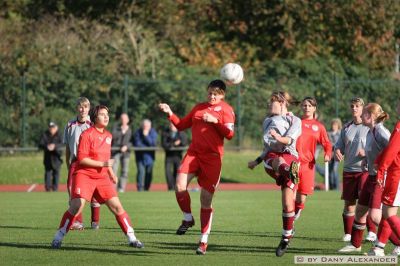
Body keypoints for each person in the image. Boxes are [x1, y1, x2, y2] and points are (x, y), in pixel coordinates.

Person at [159, 79, 235, 255]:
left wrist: (216, 121)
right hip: (194, 154)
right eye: (209, 92)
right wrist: (170, 112)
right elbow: (180, 125)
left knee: (205, 200)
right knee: (179, 186)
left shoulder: (227, 110)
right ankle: (187, 218)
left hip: (213, 159)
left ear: (222, 95)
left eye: (215, 93)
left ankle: (203, 241)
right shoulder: (198, 107)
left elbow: (230, 134)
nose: (212, 96)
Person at [51, 105, 144, 249]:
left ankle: (132, 238)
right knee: (76, 206)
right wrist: (103, 163)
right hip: (84, 174)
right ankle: (58, 237)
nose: (106, 117)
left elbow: (106, 158)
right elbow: (82, 159)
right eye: (102, 114)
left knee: (117, 207)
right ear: (95, 118)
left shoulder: (108, 135)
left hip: (102, 177)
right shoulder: (87, 134)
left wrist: (111, 172)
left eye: (107, 114)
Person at [339, 102, 400, 254]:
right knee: (360, 211)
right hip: (371, 176)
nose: (360, 115)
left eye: (364, 113)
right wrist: (368, 158)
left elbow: (391, 152)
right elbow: (378, 152)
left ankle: (396, 243)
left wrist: (380, 165)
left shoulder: (381, 132)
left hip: (382, 177)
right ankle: (355, 244)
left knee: (376, 216)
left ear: (371, 116)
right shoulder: (369, 131)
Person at [247, 91, 301, 257]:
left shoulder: (294, 120)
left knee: (287, 204)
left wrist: (279, 137)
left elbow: (290, 141)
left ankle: (286, 237)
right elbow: (267, 148)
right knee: (278, 161)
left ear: (283, 104)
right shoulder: (267, 121)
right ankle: (289, 173)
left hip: (290, 156)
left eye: (273, 102)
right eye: (269, 102)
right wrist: (256, 161)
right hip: (273, 160)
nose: (270, 105)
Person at [334, 97, 369, 242]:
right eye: (352, 106)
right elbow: (338, 146)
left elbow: (380, 148)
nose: (354, 108)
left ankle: (371, 232)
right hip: (348, 170)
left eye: (357, 106)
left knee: (364, 203)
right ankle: (348, 233)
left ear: (363, 108)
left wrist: (366, 153)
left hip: (364, 170)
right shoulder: (346, 127)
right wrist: (336, 151)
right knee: (349, 205)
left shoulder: (369, 127)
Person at [367, 99, 400, 256]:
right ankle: (379, 247)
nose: (397, 107)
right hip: (395, 173)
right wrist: (379, 160)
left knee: (388, 214)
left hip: (396, 175)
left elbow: (392, 150)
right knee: (387, 213)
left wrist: (381, 169)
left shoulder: (399, 126)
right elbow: (389, 149)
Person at [63, 97, 101, 230]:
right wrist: (68, 162)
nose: (83, 109)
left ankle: (95, 221)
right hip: (75, 162)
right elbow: (67, 146)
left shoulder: (93, 125)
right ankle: (77, 222)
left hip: (90, 162)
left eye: (85, 107)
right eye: (80, 107)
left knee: (94, 192)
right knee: (73, 191)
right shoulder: (69, 125)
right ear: (76, 108)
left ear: (89, 108)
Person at [294, 97, 332, 220]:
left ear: (314, 108)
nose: (307, 108)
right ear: (301, 107)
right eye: (305, 105)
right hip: (293, 163)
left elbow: (327, 143)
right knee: (291, 192)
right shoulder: (295, 122)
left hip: (308, 165)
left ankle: (297, 210)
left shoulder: (319, 127)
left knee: (301, 196)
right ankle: (289, 220)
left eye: (310, 106)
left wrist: (327, 153)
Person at [316, 118, 342, 190]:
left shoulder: (340, 133)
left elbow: (339, 144)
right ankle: (331, 187)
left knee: (334, 169)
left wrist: (332, 146)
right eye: (333, 124)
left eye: (335, 125)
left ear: (338, 125)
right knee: (329, 171)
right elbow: (326, 143)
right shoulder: (328, 133)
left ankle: (336, 188)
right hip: (329, 155)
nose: (334, 126)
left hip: (336, 155)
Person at [161, 122, 188, 191]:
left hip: (178, 156)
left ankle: (176, 186)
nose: (172, 126)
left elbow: (184, 142)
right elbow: (164, 144)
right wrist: (174, 144)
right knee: (168, 172)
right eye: (171, 125)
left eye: (173, 125)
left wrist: (179, 143)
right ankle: (170, 187)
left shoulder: (181, 132)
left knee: (177, 171)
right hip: (169, 156)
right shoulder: (165, 132)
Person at [133, 119, 158, 191]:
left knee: (149, 173)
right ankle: (140, 188)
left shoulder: (153, 132)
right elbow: (137, 143)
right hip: (140, 157)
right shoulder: (138, 132)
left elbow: (153, 144)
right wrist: (147, 146)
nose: (145, 127)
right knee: (141, 172)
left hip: (150, 157)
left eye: (147, 126)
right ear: (142, 126)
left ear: (150, 126)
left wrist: (146, 136)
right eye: (144, 126)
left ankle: (147, 188)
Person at [38, 122, 63, 192]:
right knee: (48, 173)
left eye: (53, 127)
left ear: (56, 128)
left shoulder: (59, 135)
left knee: (56, 173)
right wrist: (47, 146)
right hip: (48, 158)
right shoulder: (45, 134)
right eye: (50, 127)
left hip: (57, 158)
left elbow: (62, 144)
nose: (51, 129)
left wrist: (55, 146)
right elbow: (40, 144)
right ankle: (48, 188)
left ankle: (55, 188)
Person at [111, 113, 132, 193]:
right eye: (122, 119)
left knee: (125, 171)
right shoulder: (116, 128)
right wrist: (122, 131)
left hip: (126, 153)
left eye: (125, 119)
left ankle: (121, 188)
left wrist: (127, 146)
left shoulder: (130, 129)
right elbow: (113, 136)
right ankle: (113, 189)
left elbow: (132, 141)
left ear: (128, 120)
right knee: (114, 170)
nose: (123, 120)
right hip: (116, 152)